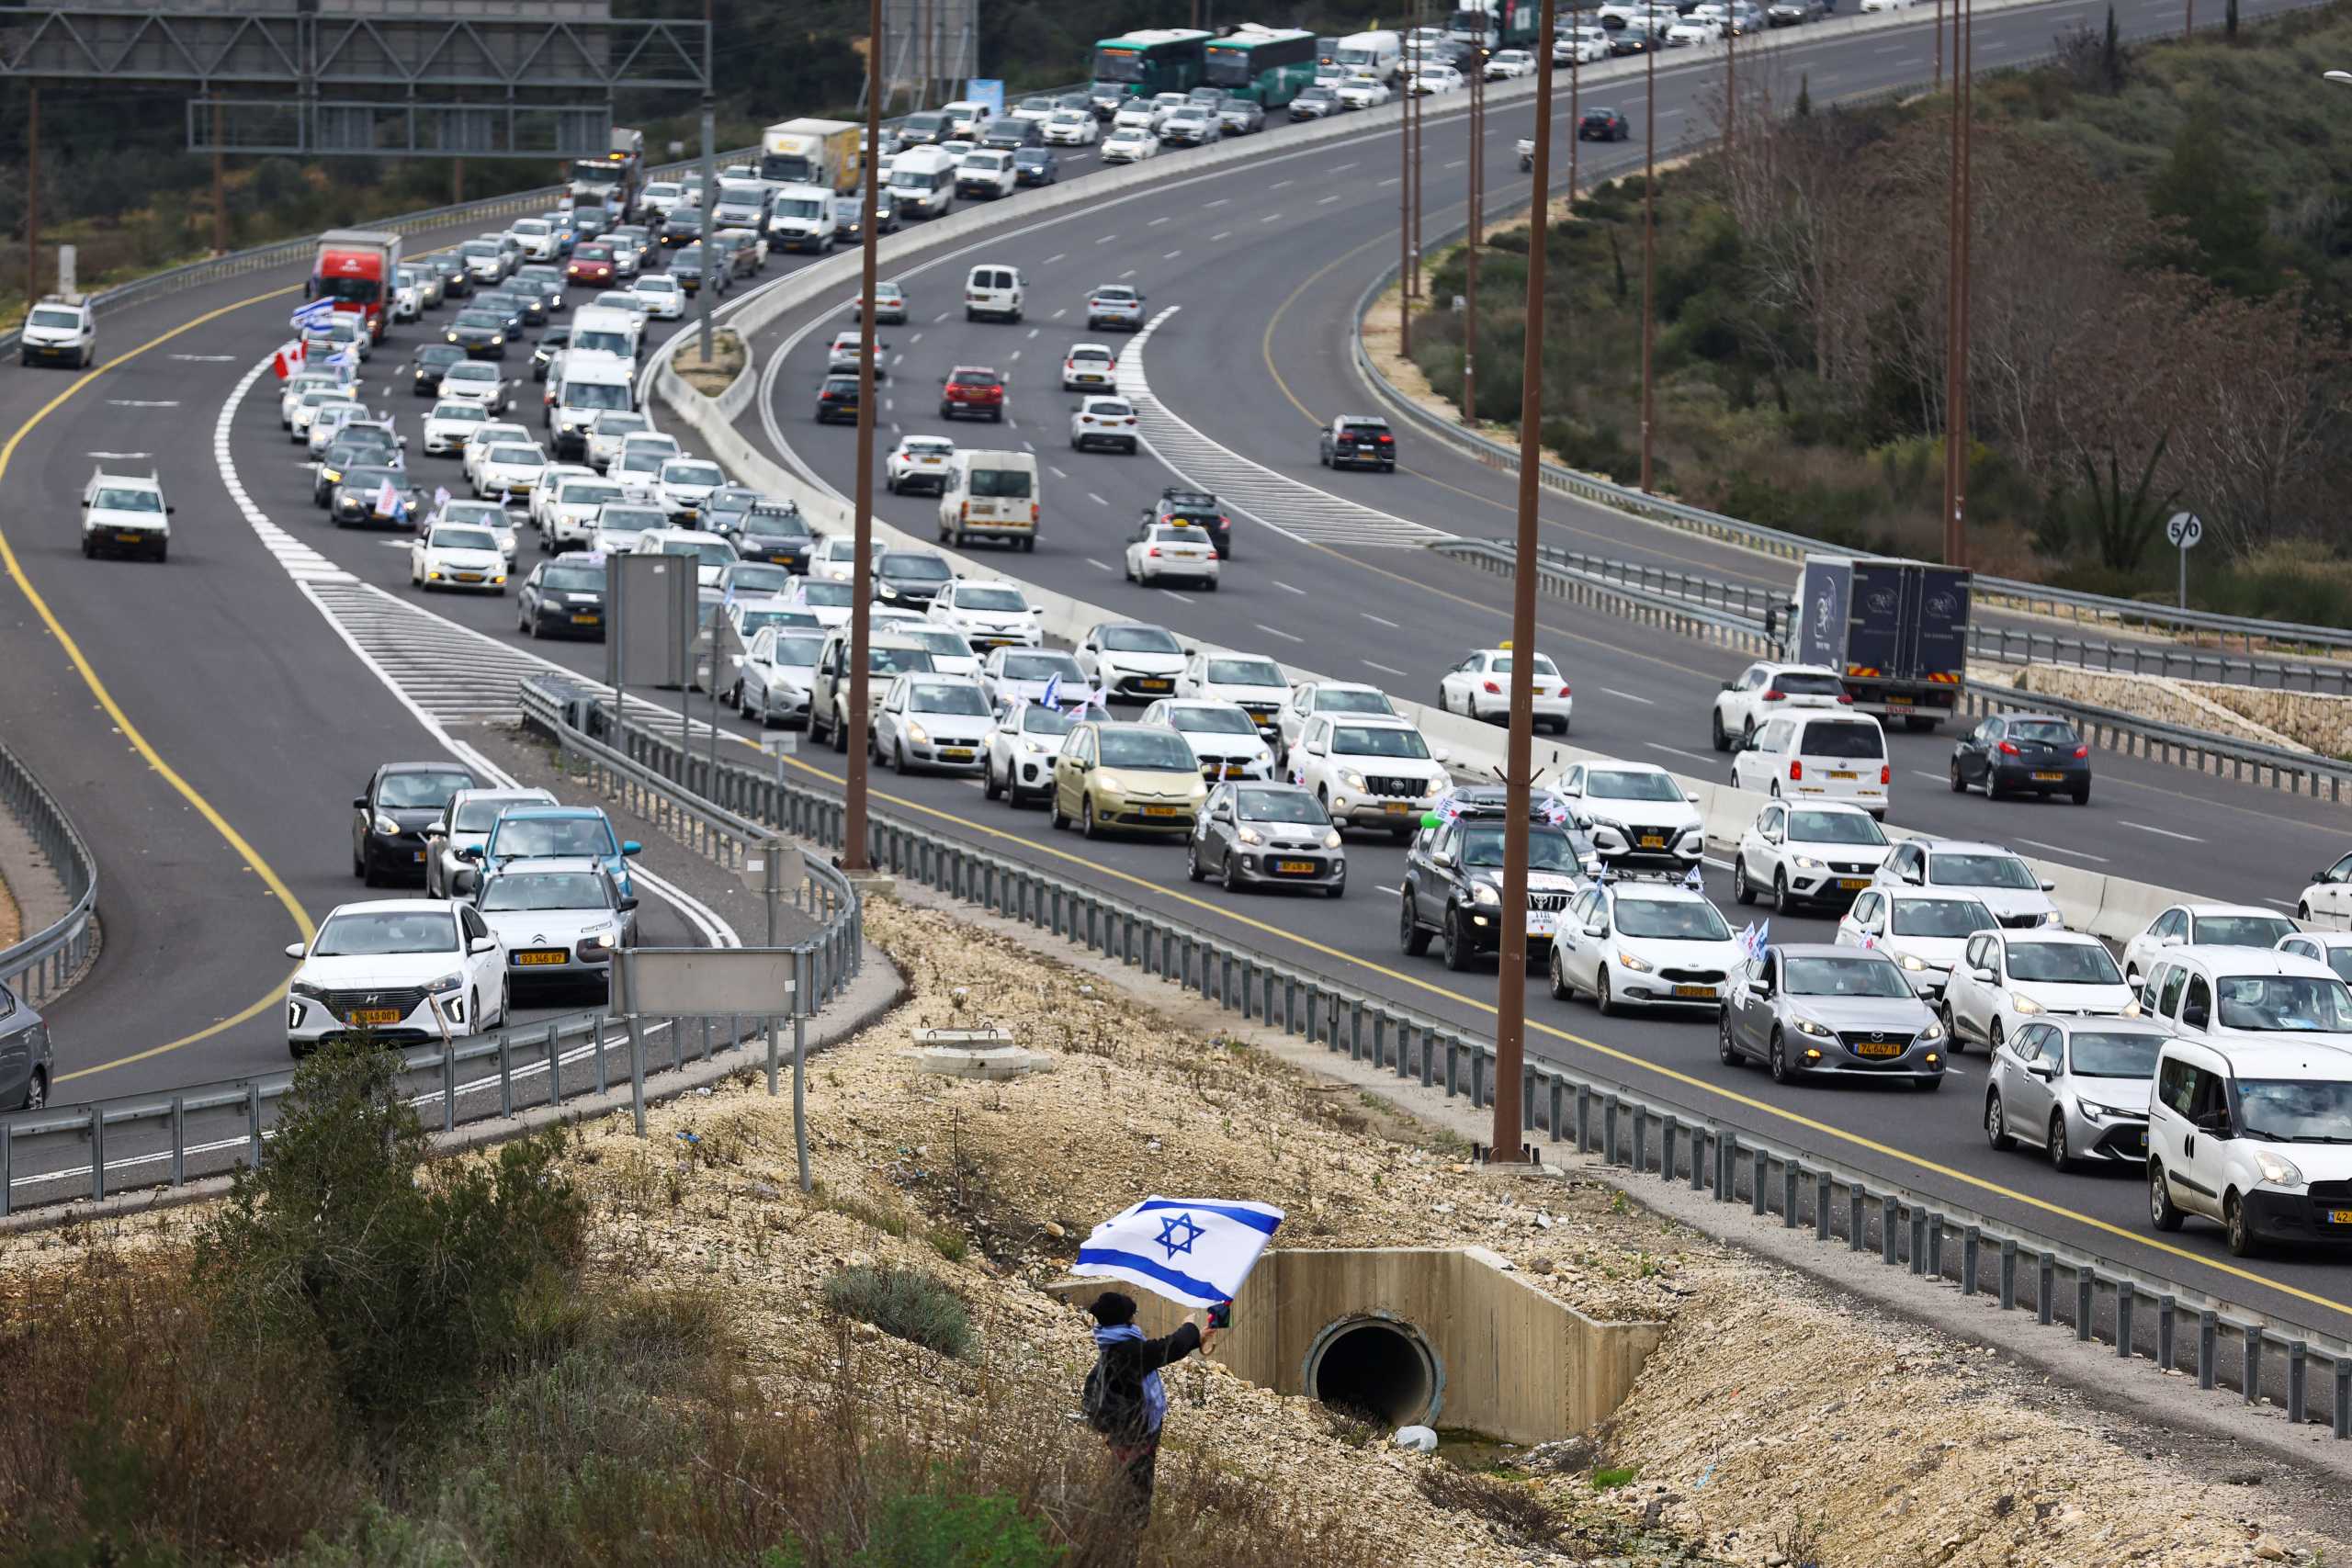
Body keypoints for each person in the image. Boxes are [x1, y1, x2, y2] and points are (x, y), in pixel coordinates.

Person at [1082, 1290, 1215, 1529]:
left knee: (1123, 1488)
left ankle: (1116, 1537)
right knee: (1135, 1500)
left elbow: (1156, 1351)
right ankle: (1125, 1547)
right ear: (1124, 1320)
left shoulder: (1111, 1342)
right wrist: (1190, 1328)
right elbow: (1166, 1349)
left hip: (1126, 1436)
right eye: (1133, 1316)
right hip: (1136, 1439)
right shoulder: (1126, 1351)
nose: (1135, 1320)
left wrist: (1198, 1338)